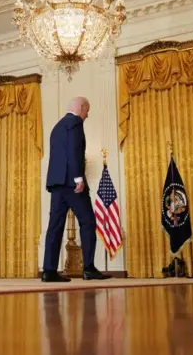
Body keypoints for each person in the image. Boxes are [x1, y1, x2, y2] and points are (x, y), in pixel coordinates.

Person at [41, 97, 110, 282]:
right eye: (87, 110)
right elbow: (74, 151)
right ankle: (88, 268)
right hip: (72, 183)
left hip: (56, 184)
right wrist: (78, 177)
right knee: (87, 222)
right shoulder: (76, 123)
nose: (87, 115)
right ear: (81, 108)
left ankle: (48, 271)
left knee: (54, 226)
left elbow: (58, 155)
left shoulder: (57, 127)